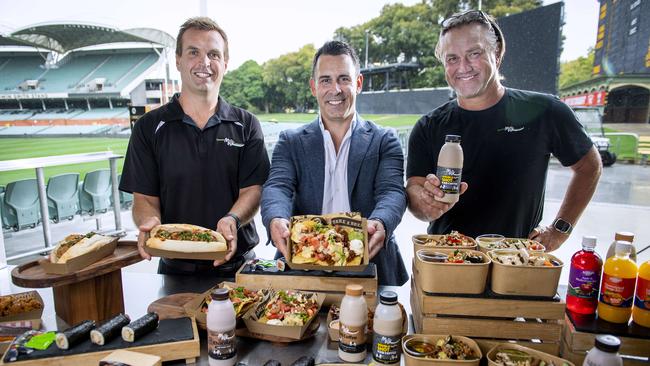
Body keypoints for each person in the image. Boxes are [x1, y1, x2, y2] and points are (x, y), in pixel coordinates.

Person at [406, 10, 602, 252]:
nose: (463, 66)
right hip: (448, 259)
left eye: (474, 53)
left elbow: (589, 166)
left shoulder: (546, 110)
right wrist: (425, 202)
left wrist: (559, 230)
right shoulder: (427, 126)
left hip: (517, 259)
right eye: (452, 58)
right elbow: (414, 189)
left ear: (497, 54)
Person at [119, 17, 270, 276]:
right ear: (178, 60)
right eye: (193, 52)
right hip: (176, 266)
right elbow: (143, 198)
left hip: (240, 266)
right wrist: (150, 222)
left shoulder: (246, 124)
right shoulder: (149, 127)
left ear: (225, 63)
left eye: (213, 54)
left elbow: (253, 190)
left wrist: (231, 219)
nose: (205, 62)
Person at [261, 41, 408, 286]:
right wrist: (275, 218)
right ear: (314, 87)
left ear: (358, 83)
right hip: (304, 263)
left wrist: (381, 222)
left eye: (344, 79)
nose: (335, 89)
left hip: (371, 263)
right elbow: (277, 186)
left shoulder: (385, 139)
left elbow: (392, 191)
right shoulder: (291, 141)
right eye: (326, 80)